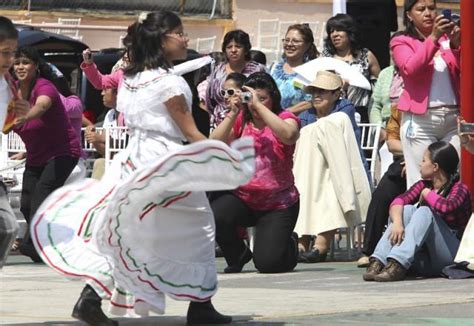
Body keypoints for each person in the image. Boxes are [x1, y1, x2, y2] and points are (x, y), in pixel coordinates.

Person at [30, 11, 255, 325]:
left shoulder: (132, 78)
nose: (186, 38)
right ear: (163, 40)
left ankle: (91, 298)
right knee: (200, 227)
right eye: (180, 32)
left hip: (133, 157)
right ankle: (201, 306)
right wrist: (220, 156)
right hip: (163, 160)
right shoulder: (169, 83)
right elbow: (191, 134)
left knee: (126, 231)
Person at [210, 71, 300, 274]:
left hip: (278, 204)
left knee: (268, 264)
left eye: (263, 98)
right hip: (244, 199)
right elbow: (213, 143)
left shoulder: (285, 118)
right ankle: (238, 254)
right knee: (215, 213)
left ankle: (290, 246)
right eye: (251, 98)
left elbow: (289, 135)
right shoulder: (241, 120)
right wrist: (232, 114)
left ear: (273, 98)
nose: (256, 104)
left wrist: (257, 105)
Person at [11, 46, 81, 263]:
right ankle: (45, 247)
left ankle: (36, 245)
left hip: (63, 152)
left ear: (36, 66)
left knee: (41, 197)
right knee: (26, 204)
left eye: (26, 62)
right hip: (36, 155)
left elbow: (41, 107)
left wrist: (25, 117)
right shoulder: (11, 91)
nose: (21, 67)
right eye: (18, 63)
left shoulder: (45, 87)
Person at [363, 141, 471, 282]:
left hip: (450, 257)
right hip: (424, 259)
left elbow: (447, 207)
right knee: (406, 210)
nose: (420, 164)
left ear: (435, 167)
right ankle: (379, 260)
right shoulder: (423, 185)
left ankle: (397, 264)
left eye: (424, 160)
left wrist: (427, 194)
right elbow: (397, 202)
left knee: (424, 211)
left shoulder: (460, 189)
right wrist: (398, 224)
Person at [293, 70, 371, 263]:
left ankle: (321, 245)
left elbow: (340, 144)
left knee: (330, 185)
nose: (316, 96)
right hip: (310, 171)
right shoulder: (306, 115)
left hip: (341, 167)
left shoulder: (345, 109)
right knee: (305, 185)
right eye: (314, 91)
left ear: (336, 94)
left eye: (323, 91)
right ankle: (300, 242)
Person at [391, 0, 461, 188]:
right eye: (421, 9)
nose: (428, 13)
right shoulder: (401, 41)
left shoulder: (448, 39)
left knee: (454, 178)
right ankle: (419, 216)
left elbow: (464, 71)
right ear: (409, 15)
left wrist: (457, 46)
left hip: (453, 119)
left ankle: (451, 216)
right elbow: (411, 69)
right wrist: (433, 38)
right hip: (421, 121)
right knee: (421, 180)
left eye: (432, 8)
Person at [322, 13, 381, 123]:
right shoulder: (326, 57)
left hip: (361, 115)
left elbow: (380, 86)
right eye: (331, 31)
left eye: (339, 29)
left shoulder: (366, 55)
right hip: (332, 113)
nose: (334, 34)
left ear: (350, 32)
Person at [205, 29, 265, 130]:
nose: (233, 50)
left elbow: (263, 97)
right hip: (220, 124)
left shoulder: (257, 70)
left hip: (249, 123)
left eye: (238, 46)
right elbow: (209, 101)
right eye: (229, 47)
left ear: (246, 49)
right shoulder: (217, 71)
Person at [0, 16, 19, 269]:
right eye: (5, 53)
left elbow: (6, 125)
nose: (11, 60)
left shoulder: (8, 86)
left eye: (13, 53)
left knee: (7, 227)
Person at [270, 23, 319, 115]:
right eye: (286, 40)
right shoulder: (273, 67)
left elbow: (312, 101)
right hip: (270, 122)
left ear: (307, 45)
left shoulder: (312, 71)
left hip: (299, 123)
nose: (289, 44)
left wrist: (284, 114)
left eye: (296, 41)